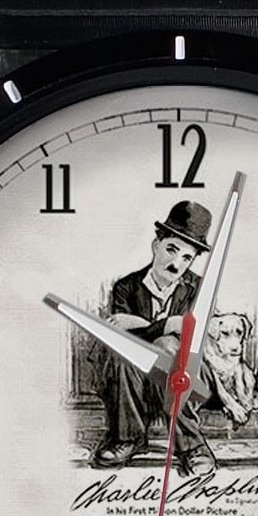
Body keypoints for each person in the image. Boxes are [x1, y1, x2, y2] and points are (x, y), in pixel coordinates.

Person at [92, 201, 217, 475]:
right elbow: (120, 336)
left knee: (166, 346)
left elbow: (191, 341)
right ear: (156, 245)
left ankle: (192, 446)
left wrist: (146, 327)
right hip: (136, 383)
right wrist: (168, 325)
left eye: (187, 258)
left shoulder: (198, 289)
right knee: (126, 350)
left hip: (189, 378)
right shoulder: (126, 287)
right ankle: (128, 439)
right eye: (171, 250)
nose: (176, 264)